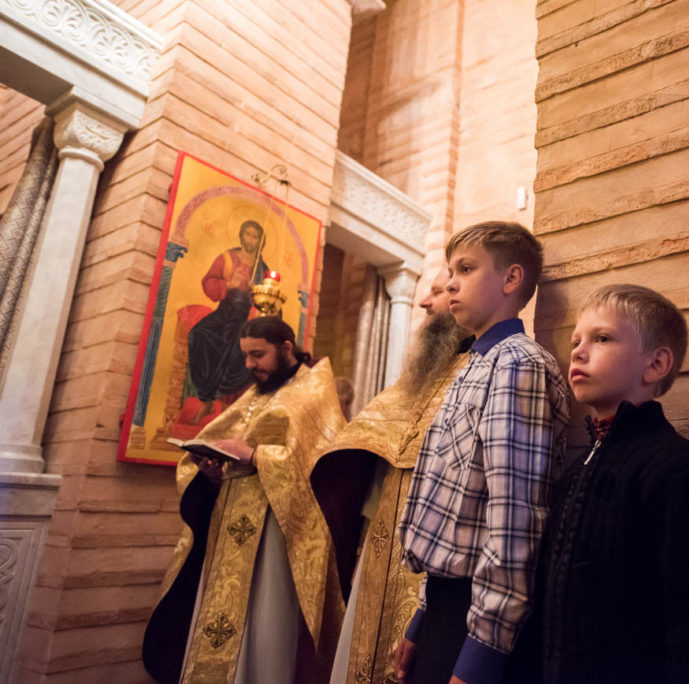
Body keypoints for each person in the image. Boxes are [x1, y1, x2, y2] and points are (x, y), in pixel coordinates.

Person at [395, 221, 570, 684]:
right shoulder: (477, 363)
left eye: (466, 269)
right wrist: (421, 618)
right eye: (451, 271)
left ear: (511, 279)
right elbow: (453, 512)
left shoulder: (518, 365)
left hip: (476, 616)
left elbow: (515, 517)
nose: (451, 283)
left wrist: (482, 655)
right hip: (447, 603)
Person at [541, 284, 689, 683]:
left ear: (656, 364)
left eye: (602, 338)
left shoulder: (677, 470)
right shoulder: (578, 468)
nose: (577, 352)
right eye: (576, 341)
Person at [143, 317, 345, 684]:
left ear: (286, 348)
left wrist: (255, 456)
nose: (250, 364)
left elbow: (321, 465)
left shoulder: (314, 390)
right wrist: (210, 471)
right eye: (246, 355)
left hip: (275, 531)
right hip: (228, 526)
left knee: (264, 619)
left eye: (258, 355)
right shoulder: (256, 394)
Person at [311, 267, 474, 684]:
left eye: (436, 292)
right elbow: (373, 467)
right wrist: (362, 547)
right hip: (379, 545)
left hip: (431, 564)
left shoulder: (479, 375)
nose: (424, 302)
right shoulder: (419, 377)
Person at [188, 220, 272, 424]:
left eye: (255, 237)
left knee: (237, 345)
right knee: (197, 335)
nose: (250, 240)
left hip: (246, 318)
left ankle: (225, 404)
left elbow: (268, 301)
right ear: (241, 235)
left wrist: (255, 293)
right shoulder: (227, 258)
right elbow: (208, 281)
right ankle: (206, 398)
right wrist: (229, 284)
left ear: (260, 242)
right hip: (224, 312)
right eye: (248, 234)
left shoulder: (262, 269)